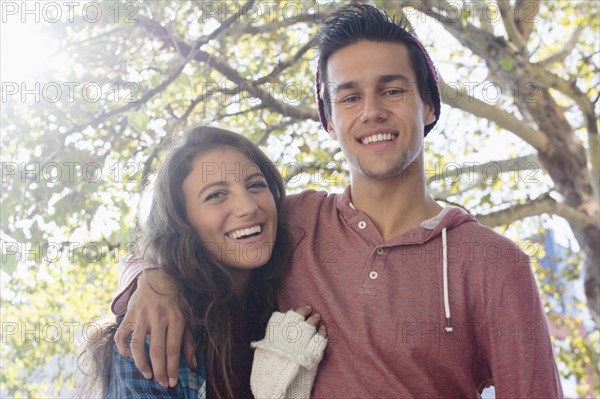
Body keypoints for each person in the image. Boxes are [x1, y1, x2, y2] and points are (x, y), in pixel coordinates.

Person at [111, 4, 564, 398]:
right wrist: (152, 279)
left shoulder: (496, 265)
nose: (371, 111)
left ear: (428, 105)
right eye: (349, 97)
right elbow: (187, 237)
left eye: (392, 90)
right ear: (329, 121)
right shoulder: (291, 221)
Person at [76, 126, 327, 398]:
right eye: (216, 195)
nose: (248, 207)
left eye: (256, 185)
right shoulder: (155, 332)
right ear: (181, 222)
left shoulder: (286, 294)